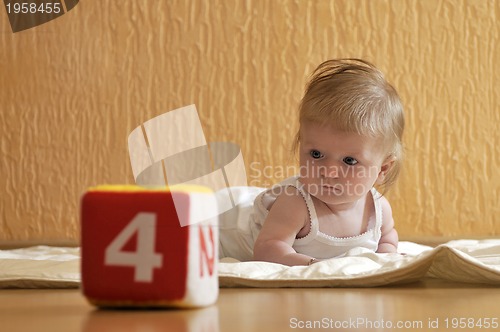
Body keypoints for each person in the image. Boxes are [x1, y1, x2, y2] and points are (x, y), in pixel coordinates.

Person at [219, 58, 405, 266]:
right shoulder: (296, 204)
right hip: (220, 222)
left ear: (383, 169)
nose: (329, 172)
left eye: (349, 161)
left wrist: (387, 260)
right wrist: (313, 266)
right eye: (316, 154)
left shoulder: (377, 208)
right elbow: (267, 249)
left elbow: (387, 239)